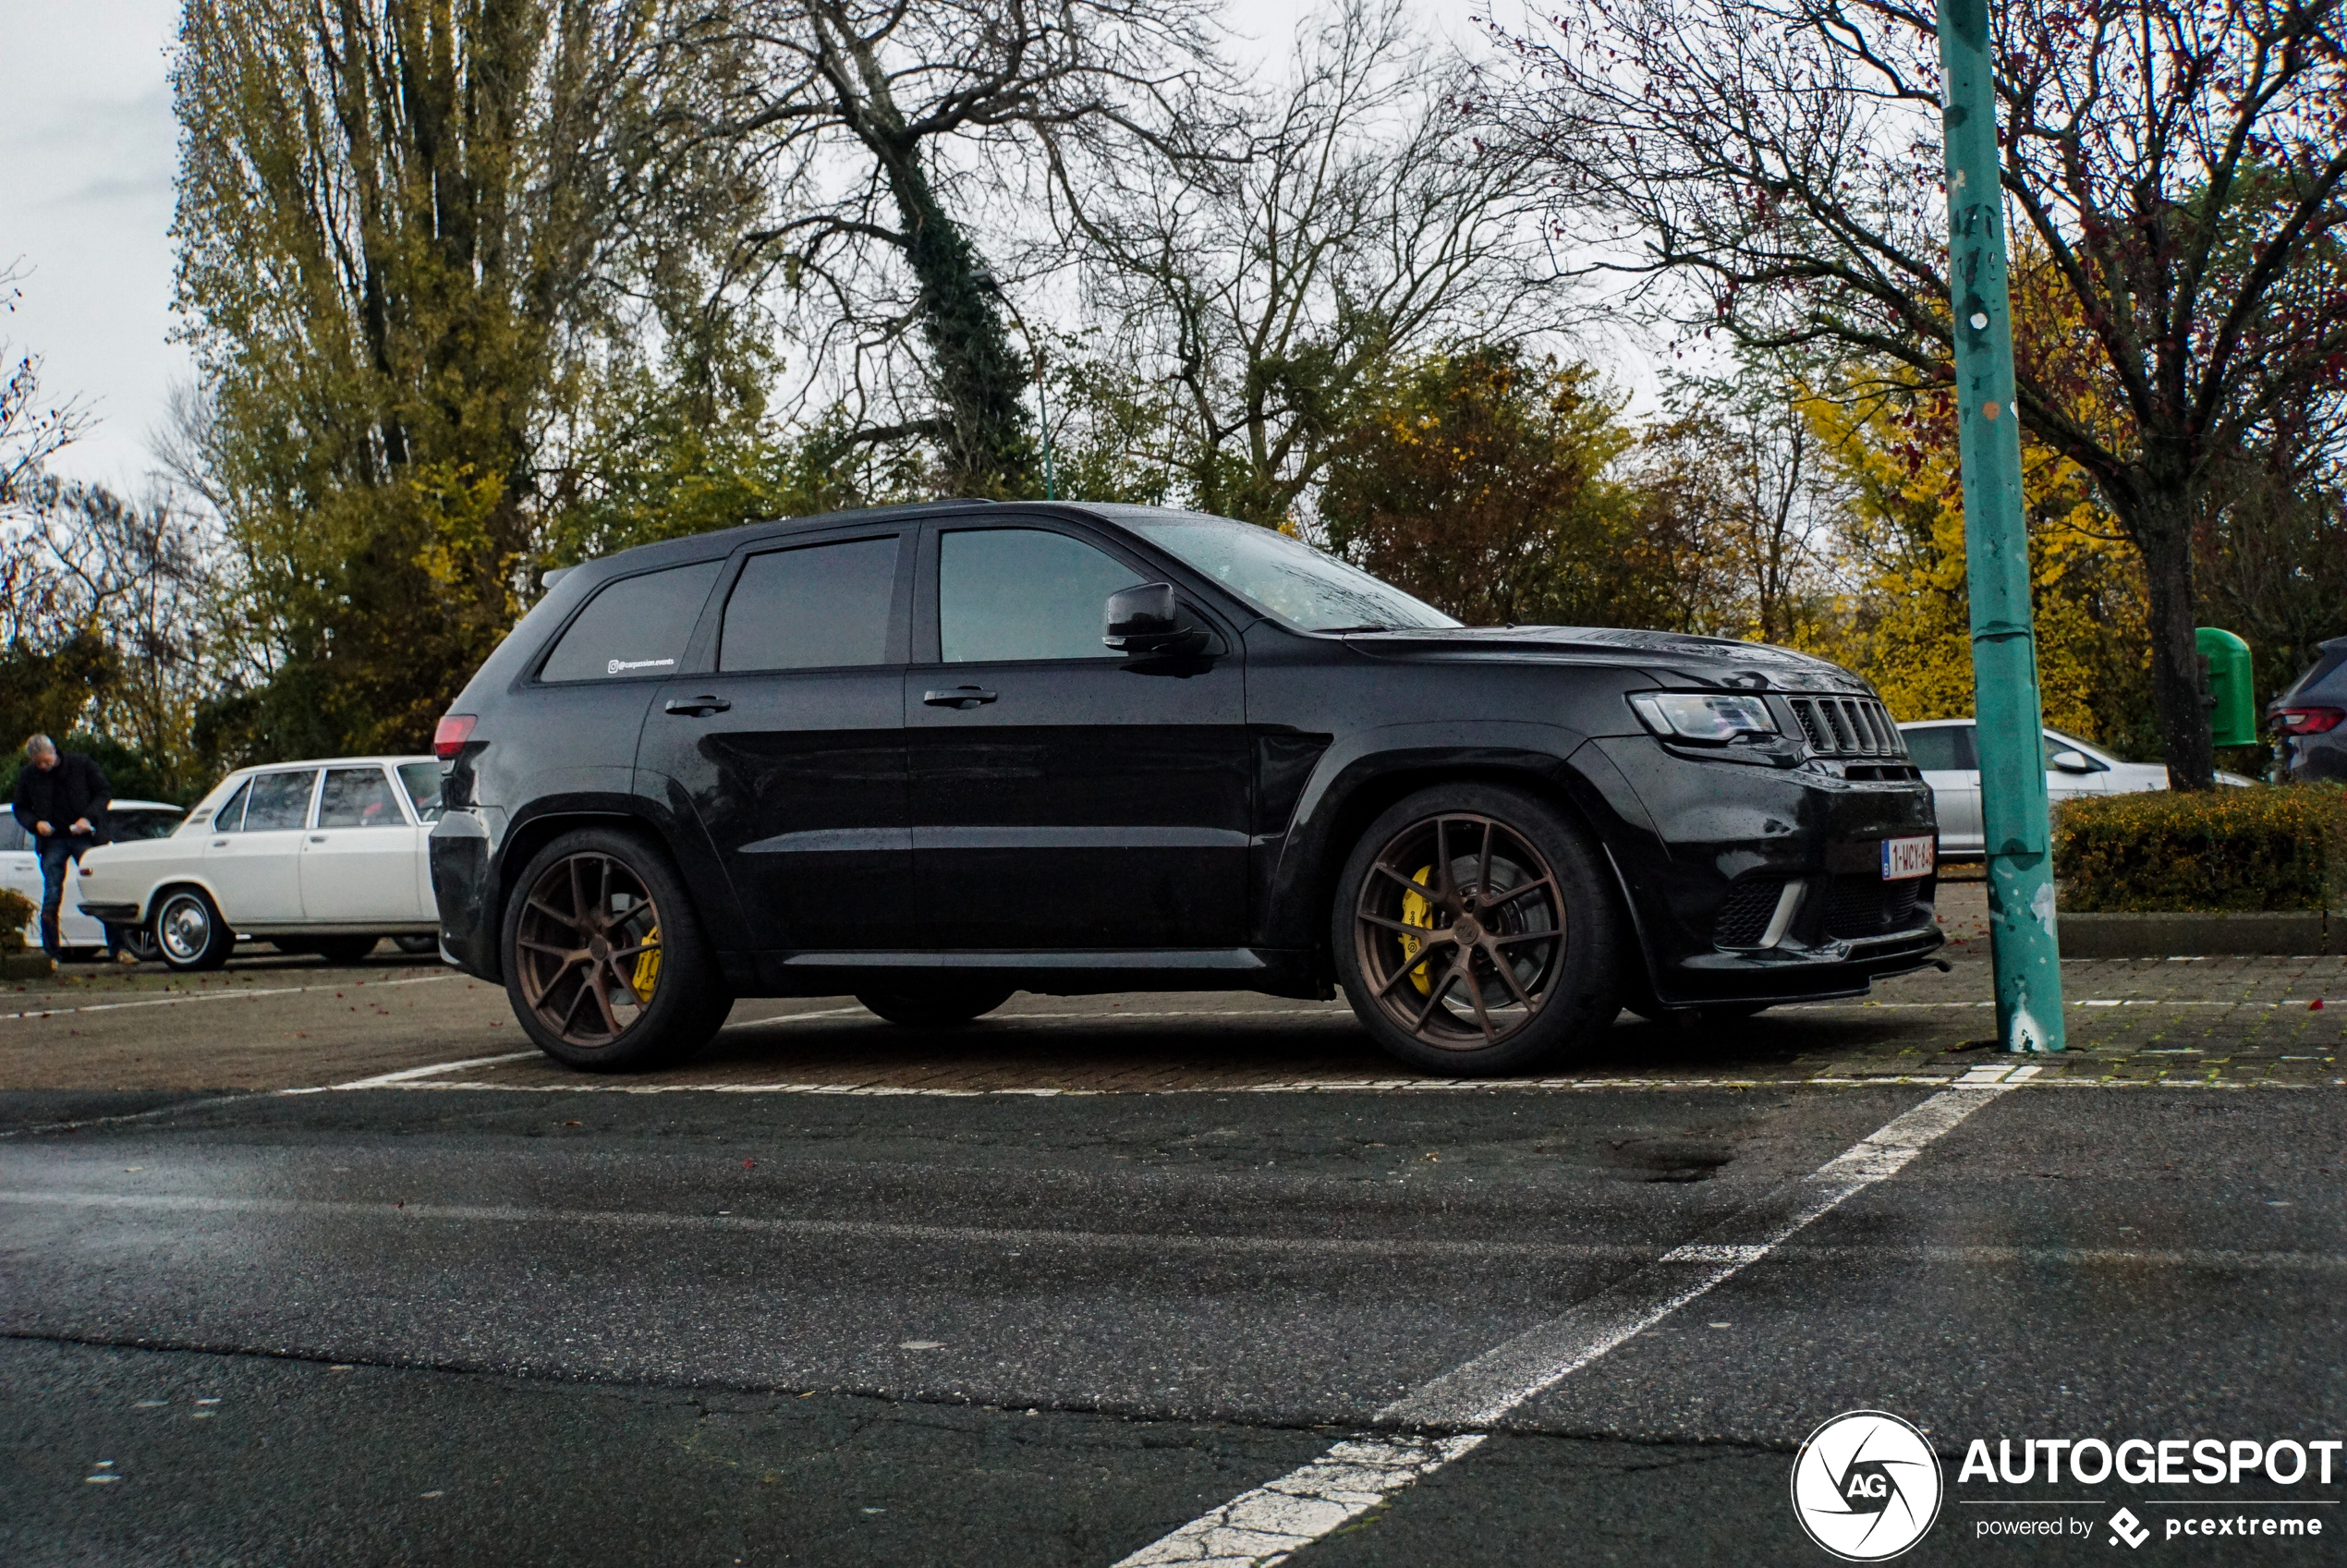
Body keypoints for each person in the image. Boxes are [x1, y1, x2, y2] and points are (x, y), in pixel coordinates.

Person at [11, 735, 110, 961]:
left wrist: (88, 818)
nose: (43, 767)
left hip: (84, 836)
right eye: (38, 763)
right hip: (52, 839)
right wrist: (35, 824)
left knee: (101, 889)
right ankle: (51, 953)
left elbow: (103, 792)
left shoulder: (81, 764)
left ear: (54, 752)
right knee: (52, 893)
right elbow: (20, 808)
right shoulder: (29, 776)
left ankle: (118, 946)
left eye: (46, 761)